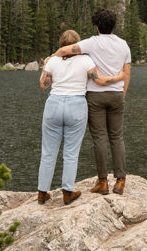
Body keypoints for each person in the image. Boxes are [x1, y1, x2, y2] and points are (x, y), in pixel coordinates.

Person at [38, 29, 122, 205]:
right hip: (76, 105)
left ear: (61, 44)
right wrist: (119, 77)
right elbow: (99, 80)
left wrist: (46, 65)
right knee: (71, 152)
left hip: (54, 104)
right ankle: (67, 192)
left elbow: (43, 85)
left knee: (48, 152)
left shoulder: (53, 60)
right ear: (77, 44)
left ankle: (42, 193)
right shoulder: (85, 60)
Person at [52, 9, 131, 195]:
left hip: (95, 96)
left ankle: (102, 182)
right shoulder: (123, 45)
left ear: (96, 26)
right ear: (113, 26)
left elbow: (64, 50)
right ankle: (120, 181)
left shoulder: (91, 43)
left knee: (99, 138)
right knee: (117, 137)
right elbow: (126, 72)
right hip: (116, 94)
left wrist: (51, 59)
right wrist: (122, 93)